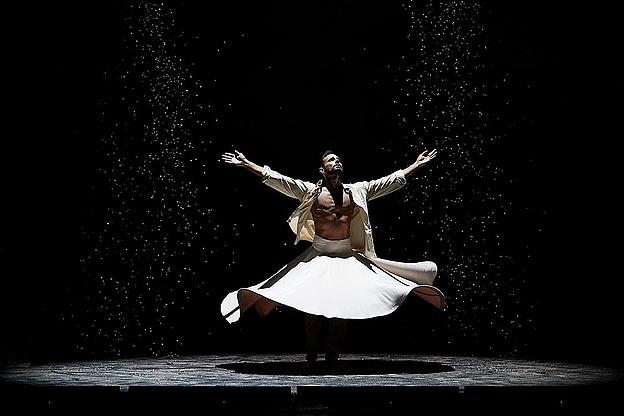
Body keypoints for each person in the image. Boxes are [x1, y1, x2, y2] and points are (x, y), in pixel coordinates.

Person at [220, 148, 445, 368]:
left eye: (338, 159)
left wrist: (415, 166)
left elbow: (388, 182)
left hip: (346, 256)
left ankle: (333, 358)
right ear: (322, 169)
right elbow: (279, 180)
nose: (336, 161)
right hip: (319, 254)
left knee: (342, 307)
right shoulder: (311, 192)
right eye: (331, 160)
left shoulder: (357, 191)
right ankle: (310, 357)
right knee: (312, 306)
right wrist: (247, 164)